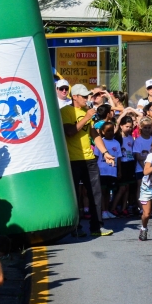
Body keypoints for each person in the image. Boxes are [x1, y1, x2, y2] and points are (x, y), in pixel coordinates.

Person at [61, 84, 115, 237]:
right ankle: (75, 227)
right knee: (74, 195)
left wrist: (105, 152)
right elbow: (70, 132)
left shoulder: (88, 112)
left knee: (95, 193)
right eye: (84, 96)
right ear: (75, 97)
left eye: (87, 96)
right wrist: (86, 117)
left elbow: (94, 134)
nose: (87, 99)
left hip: (89, 159)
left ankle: (97, 227)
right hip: (72, 160)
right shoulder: (66, 111)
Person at [93, 121, 122, 220]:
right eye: (108, 131)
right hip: (101, 171)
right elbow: (96, 156)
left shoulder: (116, 143)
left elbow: (118, 158)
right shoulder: (100, 142)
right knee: (102, 191)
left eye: (112, 130)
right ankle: (103, 211)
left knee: (108, 191)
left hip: (112, 171)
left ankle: (106, 211)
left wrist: (119, 171)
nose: (111, 132)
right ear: (103, 132)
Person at [111, 115, 135, 217]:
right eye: (127, 126)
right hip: (122, 164)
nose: (129, 129)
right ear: (121, 126)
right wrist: (119, 170)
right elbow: (118, 155)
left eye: (130, 127)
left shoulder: (130, 138)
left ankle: (124, 208)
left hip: (130, 163)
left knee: (128, 187)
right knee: (122, 188)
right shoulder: (117, 138)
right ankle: (113, 208)